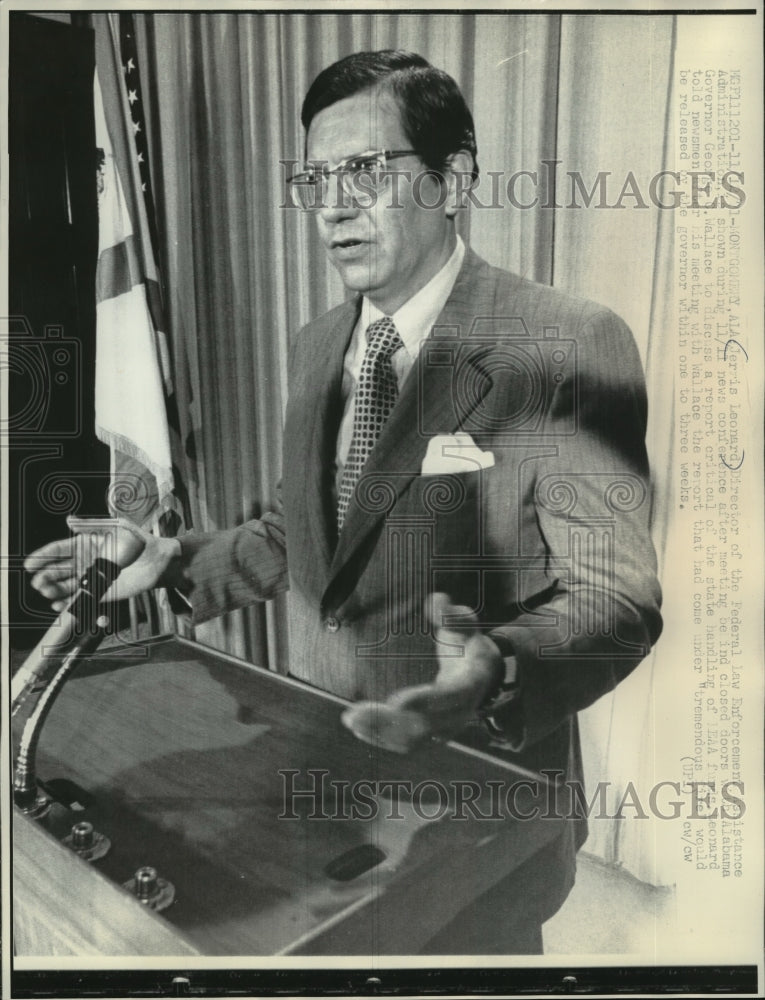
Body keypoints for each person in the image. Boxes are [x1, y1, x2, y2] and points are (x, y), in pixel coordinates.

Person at [25, 50, 662, 953]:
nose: (330, 204)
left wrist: (498, 669)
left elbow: (616, 597)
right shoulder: (317, 344)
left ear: (452, 181)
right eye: (315, 177)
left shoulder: (563, 342)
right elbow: (307, 529)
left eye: (365, 170)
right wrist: (172, 565)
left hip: (476, 800)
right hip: (319, 769)